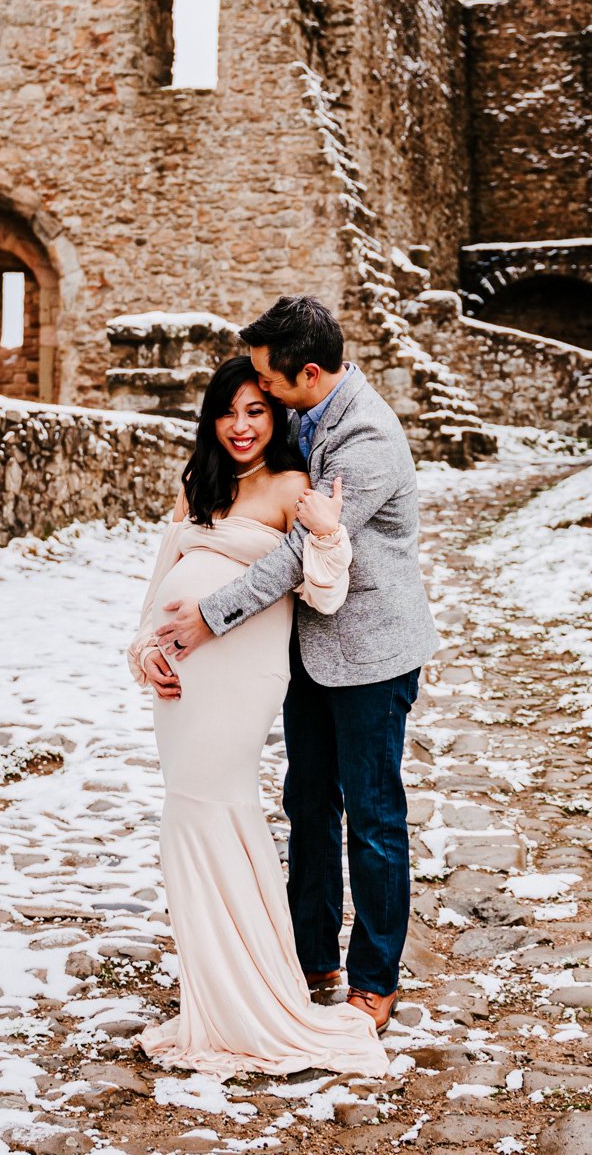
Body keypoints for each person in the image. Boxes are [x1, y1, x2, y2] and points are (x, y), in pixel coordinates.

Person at [151, 296, 437, 1036]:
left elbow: (295, 556)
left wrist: (211, 617)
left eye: (268, 386)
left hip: (370, 654)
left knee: (373, 817)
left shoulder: (367, 437)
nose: (260, 399)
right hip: (307, 652)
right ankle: (311, 957)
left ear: (306, 375)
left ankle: (376, 979)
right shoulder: (309, 414)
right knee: (309, 803)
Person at [127, 355, 388, 1077]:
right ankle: (214, 993)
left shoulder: (290, 486)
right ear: (211, 419)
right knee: (186, 815)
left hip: (243, 674)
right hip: (181, 678)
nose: (241, 426)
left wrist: (329, 533)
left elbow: (326, 595)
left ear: (277, 418)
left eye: (256, 411)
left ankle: (258, 998)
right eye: (228, 411)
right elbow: (157, 592)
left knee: (217, 808)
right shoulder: (198, 485)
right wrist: (143, 651)